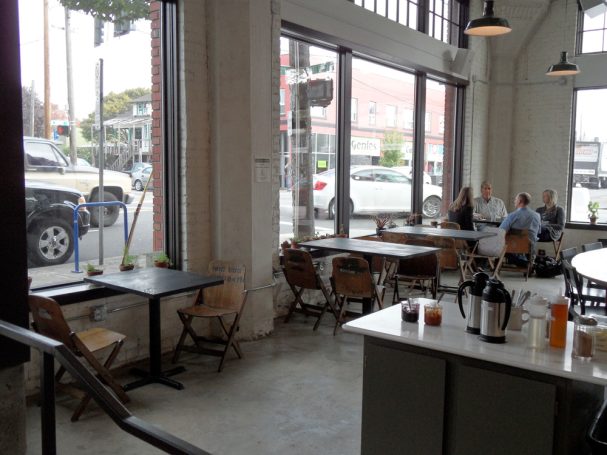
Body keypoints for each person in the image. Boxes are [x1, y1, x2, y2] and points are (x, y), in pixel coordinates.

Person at [500, 192, 541, 258]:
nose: (514, 201)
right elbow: (538, 232)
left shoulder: (512, 215)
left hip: (512, 249)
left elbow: (501, 232)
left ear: (519, 201)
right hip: (530, 249)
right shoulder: (537, 215)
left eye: (515, 199)